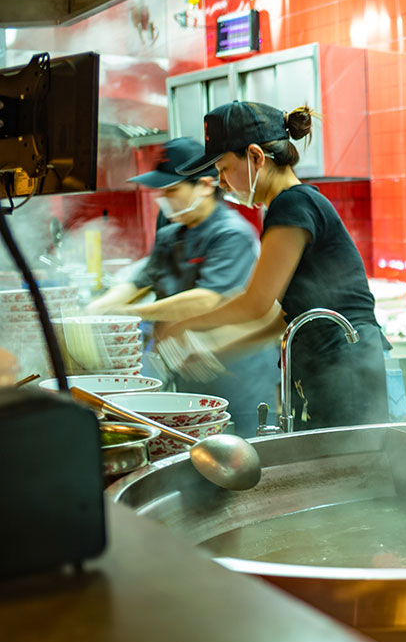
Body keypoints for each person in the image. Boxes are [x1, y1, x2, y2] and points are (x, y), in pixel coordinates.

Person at [161, 101, 388, 431]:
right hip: (335, 367)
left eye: (224, 168)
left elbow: (255, 303)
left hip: (344, 372)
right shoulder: (294, 204)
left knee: (349, 461)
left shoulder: (291, 204)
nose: (221, 182)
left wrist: (184, 325)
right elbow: (282, 318)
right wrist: (215, 349)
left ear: (255, 157)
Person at [87, 137, 278, 437]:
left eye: (172, 190)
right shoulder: (171, 236)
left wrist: (127, 312)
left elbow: (207, 299)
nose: (164, 199)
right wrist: (98, 308)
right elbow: (138, 282)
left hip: (237, 377)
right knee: (196, 455)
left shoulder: (232, 234)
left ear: (204, 186)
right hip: (189, 376)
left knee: (243, 455)